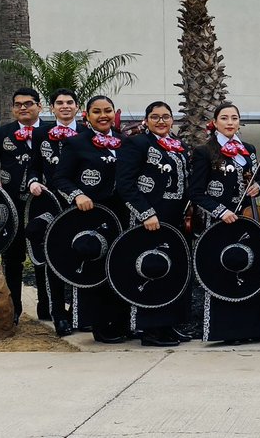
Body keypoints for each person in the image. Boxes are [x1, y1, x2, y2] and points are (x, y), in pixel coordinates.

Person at [188, 103, 260, 344]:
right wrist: (220, 210)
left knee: (250, 268)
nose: (230, 122)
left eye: (234, 118)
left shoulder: (248, 149)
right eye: (224, 118)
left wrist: (258, 187)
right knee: (225, 272)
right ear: (215, 122)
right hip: (219, 222)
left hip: (247, 219)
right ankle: (228, 331)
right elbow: (195, 192)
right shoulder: (204, 150)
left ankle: (254, 329)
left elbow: (257, 180)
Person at [51, 95, 130, 343]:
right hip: (91, 215)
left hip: (122, 214)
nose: (103, 115)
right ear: (87, 115)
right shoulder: (76, 143)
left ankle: (121, 322)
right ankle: (99, 326)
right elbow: (60, 178)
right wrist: (78, 195)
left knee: (119, 267)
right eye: (97, 111)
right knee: (96, 270)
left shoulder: (125, 142)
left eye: (107, 110)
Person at [115, 101, 192, 347]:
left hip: (175, 219)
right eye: (155, 117)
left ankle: (167, 326)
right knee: (151, 268)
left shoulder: (180, 147)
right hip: (148, 219)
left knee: (171, 271)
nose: (161, 121)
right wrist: (145, 213)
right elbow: (125, 184)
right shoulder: (137, 143)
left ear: (172, 120)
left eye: (166, 116)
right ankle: (149, 330)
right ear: (146, 120)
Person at [0, 87, 43, 324]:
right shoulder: (0, 133)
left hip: (41, 205)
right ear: (13, 108)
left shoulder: (51, 132)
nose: (23, 108)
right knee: (12, 259)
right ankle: (13, 309)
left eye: (28, 103)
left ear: (39, 106)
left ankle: (46, 309)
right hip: (11, 205)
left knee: (42, 256)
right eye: (18, 104)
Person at [32, 88, 81, 334]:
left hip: (82, 205)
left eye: (69, 102)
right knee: (54, 259)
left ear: (77, 106)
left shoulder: (87, 133)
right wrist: (32, 181)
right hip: (51, 203)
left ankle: (80, 314)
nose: (65, 106)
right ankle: (58, 315)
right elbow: (33, 166)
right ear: (51, 108)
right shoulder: (41, 133)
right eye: (59, 103)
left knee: (83, 256)